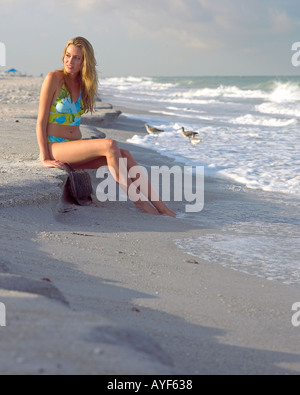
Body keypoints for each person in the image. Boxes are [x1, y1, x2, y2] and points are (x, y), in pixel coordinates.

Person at [36, 37, 176, 217]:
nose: (70, 61)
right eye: (68, 56)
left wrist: (82, 152)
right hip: (54, 147)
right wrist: (45, 157)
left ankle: (162, 208)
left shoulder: (83, 84)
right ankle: (141, 204)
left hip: (73, 148)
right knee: (109, 144)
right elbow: (41, 121)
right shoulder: (54, 78)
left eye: (76, 58)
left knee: (125, 155)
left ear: (85, 61)